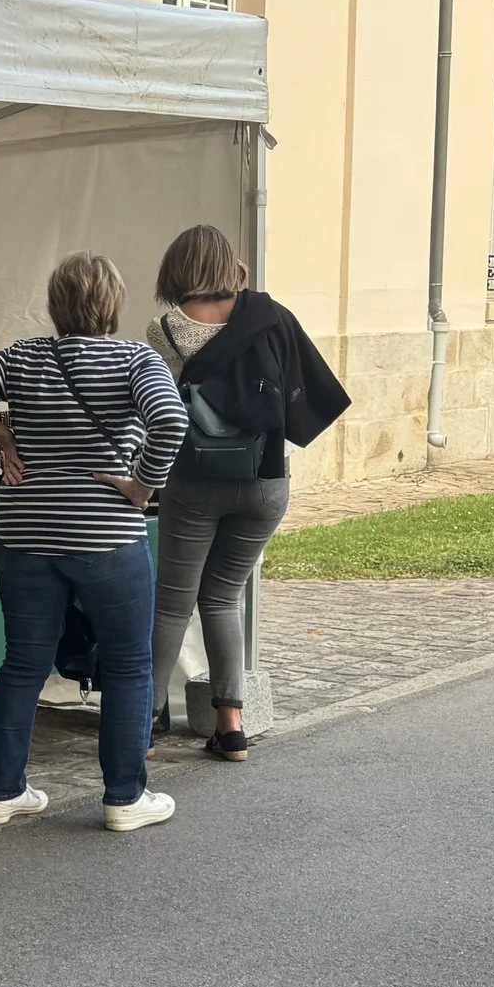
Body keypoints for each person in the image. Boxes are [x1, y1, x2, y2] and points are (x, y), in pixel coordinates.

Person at [0, 253, 187, 832]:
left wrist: (0, 431)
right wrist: (141, 485)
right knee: (127, 664)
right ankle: (125, 798)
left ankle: (2, 792)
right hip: (106, 532)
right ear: (114, 303)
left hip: (24, 531)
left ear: (55, 305)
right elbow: (171, 420)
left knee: (24, 661)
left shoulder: (23, 356)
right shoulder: (135, 358)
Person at [145, 225, 350, 761]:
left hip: (194, 481)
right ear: (229, 264)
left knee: (172, 604)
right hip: (265, 481)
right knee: (223, 597)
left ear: (177, 268)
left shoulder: (165, 331)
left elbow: (164, 411)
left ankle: (140, 720)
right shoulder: (273, 317)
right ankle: (230, 724)